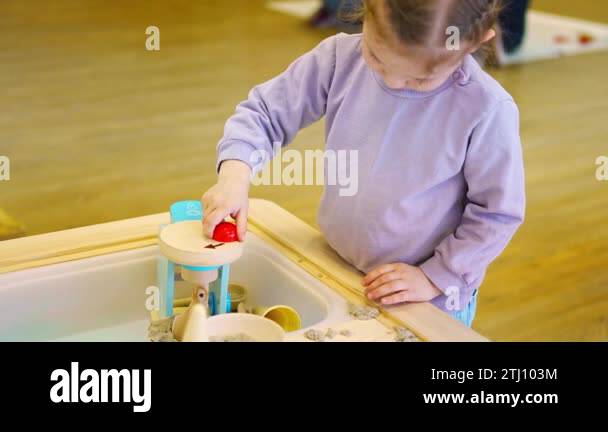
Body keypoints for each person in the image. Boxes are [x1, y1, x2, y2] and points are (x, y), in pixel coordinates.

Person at [202, 0, 526, 327]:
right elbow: (265, 114)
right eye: (378, 58)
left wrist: (435, 277)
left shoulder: (487, 109)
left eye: (419, 79)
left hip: (425, 297)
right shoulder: (339, 58)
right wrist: (234, 174)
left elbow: (497, 212)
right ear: (366, 12)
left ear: (474, 42)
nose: (394, 82)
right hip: (338, 266)